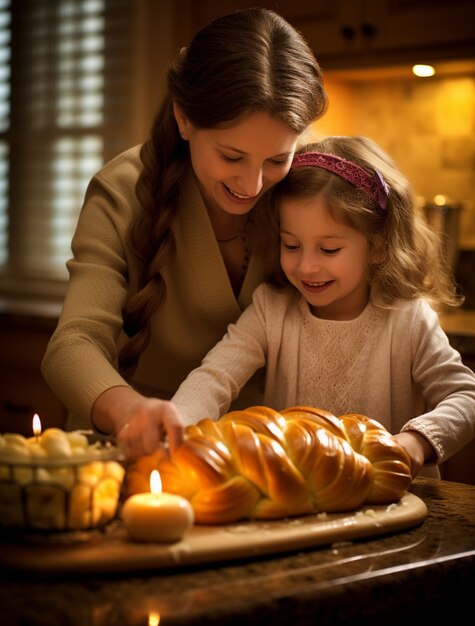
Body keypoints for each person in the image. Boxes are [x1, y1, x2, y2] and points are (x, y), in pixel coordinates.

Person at [40, 7, 328, 458]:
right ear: (184, 118)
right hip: (131, 447)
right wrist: (131, 411)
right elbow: (72, 346)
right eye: (231, 156)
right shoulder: (122, 190)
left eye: (276, 159)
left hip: (258, 453)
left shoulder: (308, 193)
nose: (252, 185)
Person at [170, 135, 475, 479]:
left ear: (378, 246)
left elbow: (466, 398)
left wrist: (416, 442)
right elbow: (215, 377)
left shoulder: (407, 319)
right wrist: (174, 427)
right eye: (292, 245)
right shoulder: (273, 309)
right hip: (297, 501)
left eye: (328, 249)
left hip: (398, 505)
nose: (306, 267)